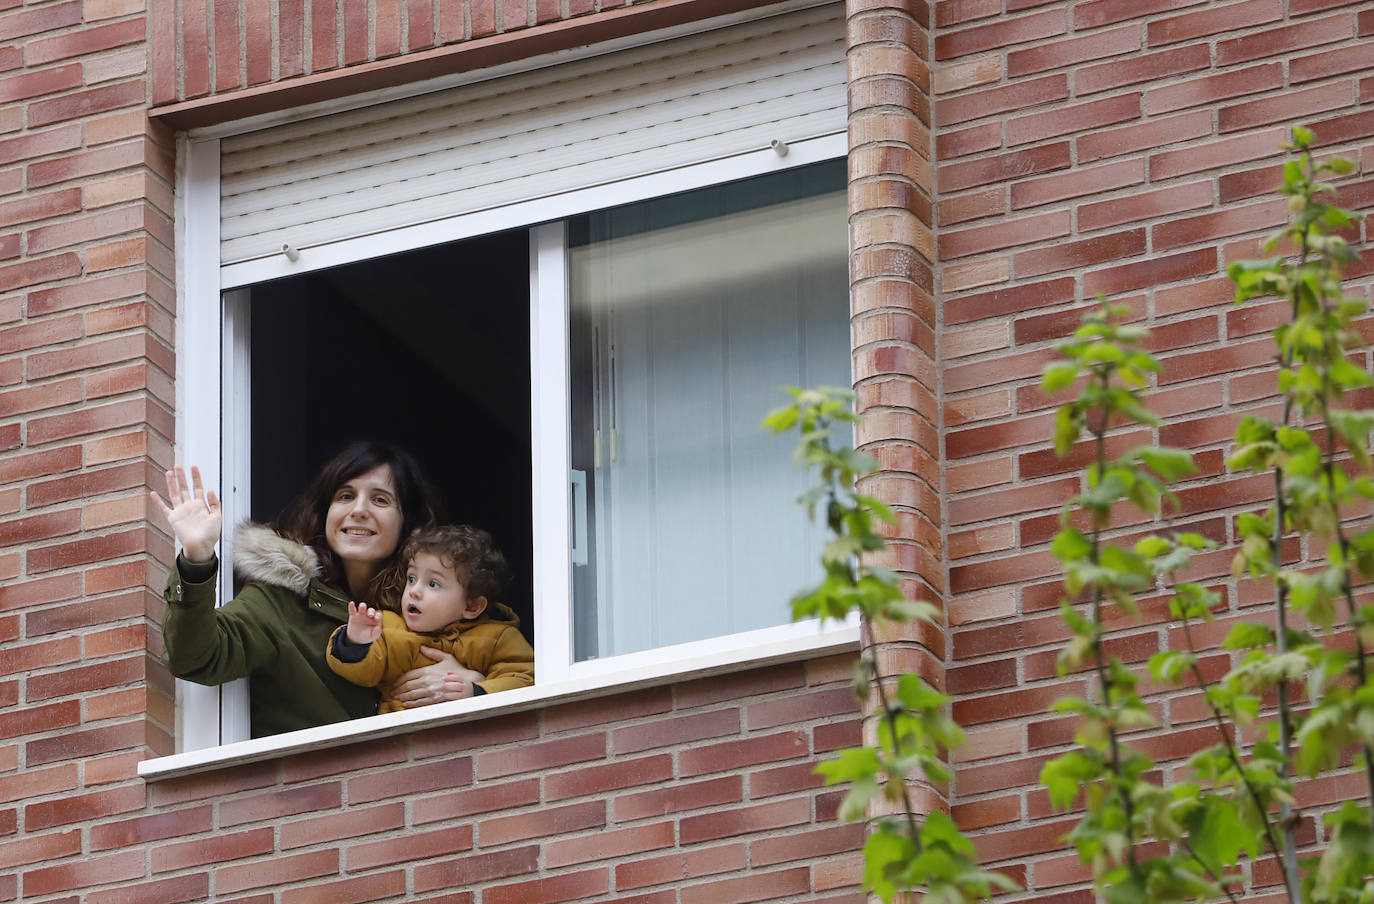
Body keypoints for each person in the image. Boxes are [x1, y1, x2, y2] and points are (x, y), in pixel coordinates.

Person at [153, 441, 485, 738]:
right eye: (345, 496)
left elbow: (521, 675)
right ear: (325, 512)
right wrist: (196, 559)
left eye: (380, 500)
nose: (358, 510)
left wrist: (475, 684)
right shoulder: (281, 601)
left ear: (409, 524)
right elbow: (193, 657)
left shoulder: (443, 604)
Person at [327, 524, 535, 710]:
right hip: (401, 743)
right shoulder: (387, 627)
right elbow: (362, 672)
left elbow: (526, 679)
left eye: (433, 584)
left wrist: (476, 691)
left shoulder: (497, 637)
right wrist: (355, 641)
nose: (414, 591)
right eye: (412, 578)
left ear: (471, 605)